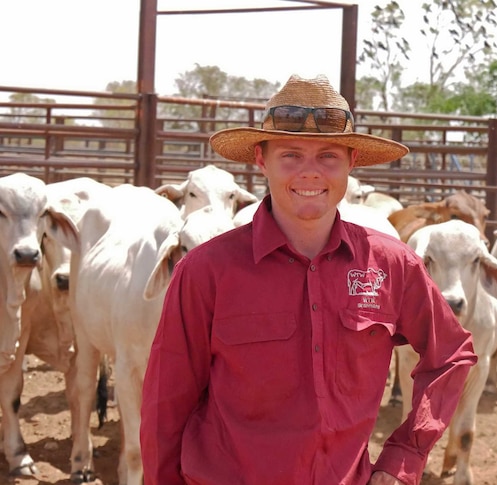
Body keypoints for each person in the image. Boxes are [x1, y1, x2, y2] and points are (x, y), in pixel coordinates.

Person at [140, 75, 477, 485]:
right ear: (261, 160)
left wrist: (405, 454)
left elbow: (452, 355)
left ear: (352, 163)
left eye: (329, 156)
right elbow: (165, 402)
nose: (310, 173)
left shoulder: (391, 265)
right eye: (291, 155)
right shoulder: (206, 270)